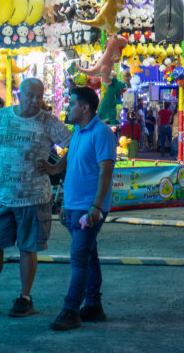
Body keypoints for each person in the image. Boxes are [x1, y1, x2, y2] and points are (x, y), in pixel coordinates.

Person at [0, 78, 72, 318]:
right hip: (2, 198)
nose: (35, 101)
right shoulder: (0, 118)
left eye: (39, 96)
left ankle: (25, 298)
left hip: (34, 199)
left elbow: (74, 142)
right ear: (19, 95)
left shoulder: (49, 122)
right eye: (30, 96)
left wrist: (56, 168)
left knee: (27, 249)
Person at [41, 86, 117, 331]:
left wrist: (96, 206)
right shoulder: (77, 131)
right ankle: (93, 305)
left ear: (85, 107)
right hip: (73, 205)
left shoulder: (102, 133)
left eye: (72, 103)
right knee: (88, 254)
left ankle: (71, 309)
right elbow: (68, 162)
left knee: (79, 257)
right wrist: (53, 172)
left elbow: (106, 172)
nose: (68, 107)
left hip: (89, 207)